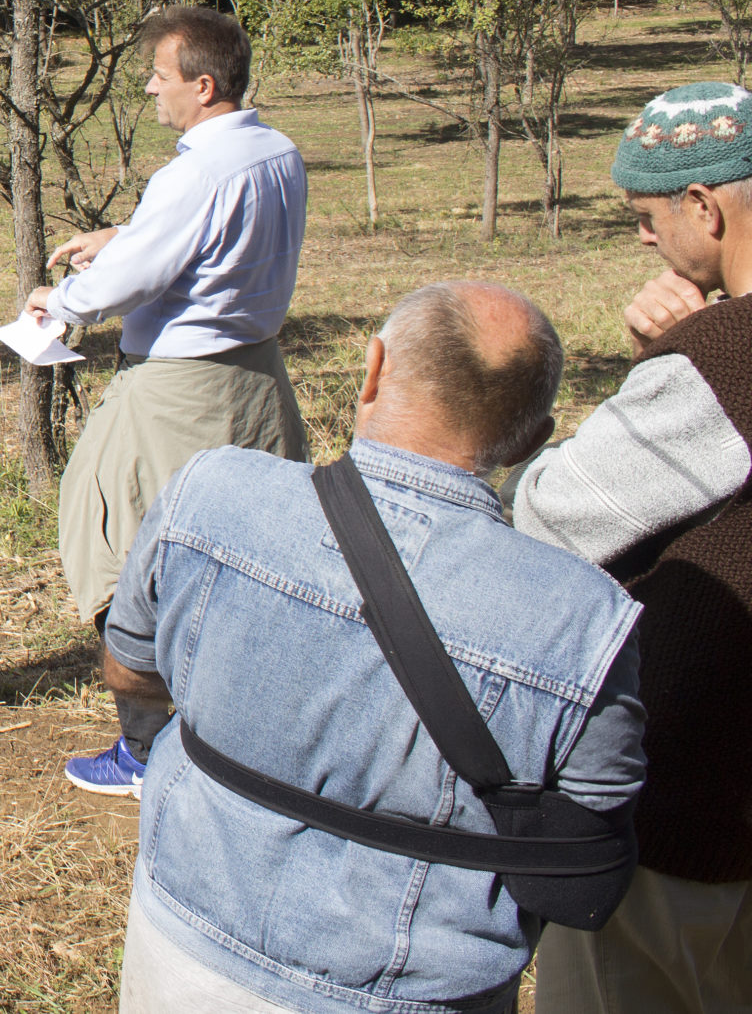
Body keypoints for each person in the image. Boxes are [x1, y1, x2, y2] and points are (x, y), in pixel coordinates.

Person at [106, 282, 645, 1014]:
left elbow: (129, 668)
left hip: (181, 946)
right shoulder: (590, 623)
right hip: (411, 992)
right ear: (530, 439)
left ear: (371, 369)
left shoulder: (209, 493)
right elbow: (587, 854)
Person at [22, 5, 307, 796]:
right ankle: (244, 735)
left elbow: (137, 279)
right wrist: (131, 231)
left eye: (161, 74)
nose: (150, 87)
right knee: (248, 559)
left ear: (203, 84)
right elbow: (210, 243)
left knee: (115, 538)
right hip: (257, 379)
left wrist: (64, 298)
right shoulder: (276, 152)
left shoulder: (196, 172)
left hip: (180, 391)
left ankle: (149, 747)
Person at [513, 81, 752, 1014]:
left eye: (648, 216)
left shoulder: (726, 360)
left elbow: (553, 515)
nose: (645, 238)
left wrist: (673, 357)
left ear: (703, 206)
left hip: (682, 805)